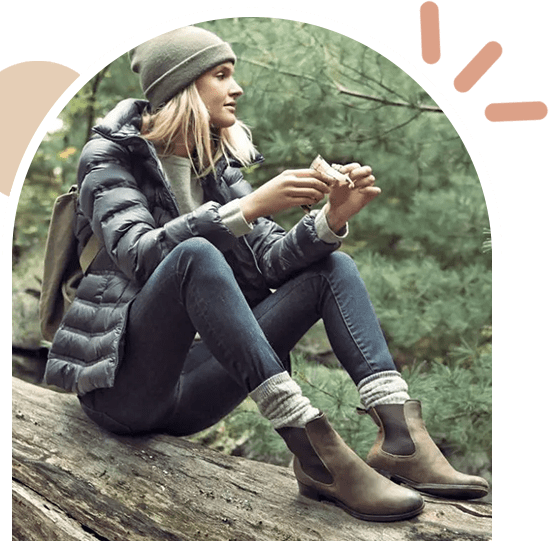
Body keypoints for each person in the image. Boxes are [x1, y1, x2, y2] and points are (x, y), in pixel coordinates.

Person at [44, 26, 489, 522]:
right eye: (222, 75)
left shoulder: (215, 164)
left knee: (331, 265)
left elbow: (267, 265)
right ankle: (313, 447)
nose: (237, 88)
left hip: (192, 393)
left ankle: (401, 439)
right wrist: (249, 206)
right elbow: (140, 255)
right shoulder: (107, 156)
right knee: (194, 254)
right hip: (122, 391)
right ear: (182, 85)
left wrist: (331, 218)